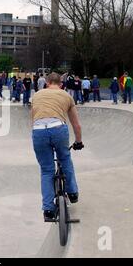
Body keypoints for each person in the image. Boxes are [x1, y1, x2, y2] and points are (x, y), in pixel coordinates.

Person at [31, 73, 84, 221]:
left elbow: (33, 119)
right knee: (65, 159)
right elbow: (76, 125)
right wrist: (78, 142)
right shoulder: (66, 96)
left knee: (47, 170)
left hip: (38, 131)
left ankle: (48, 209)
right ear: (61, 84)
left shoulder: (37, 95)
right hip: (58, 129)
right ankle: (72, 192)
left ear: (47, 83)